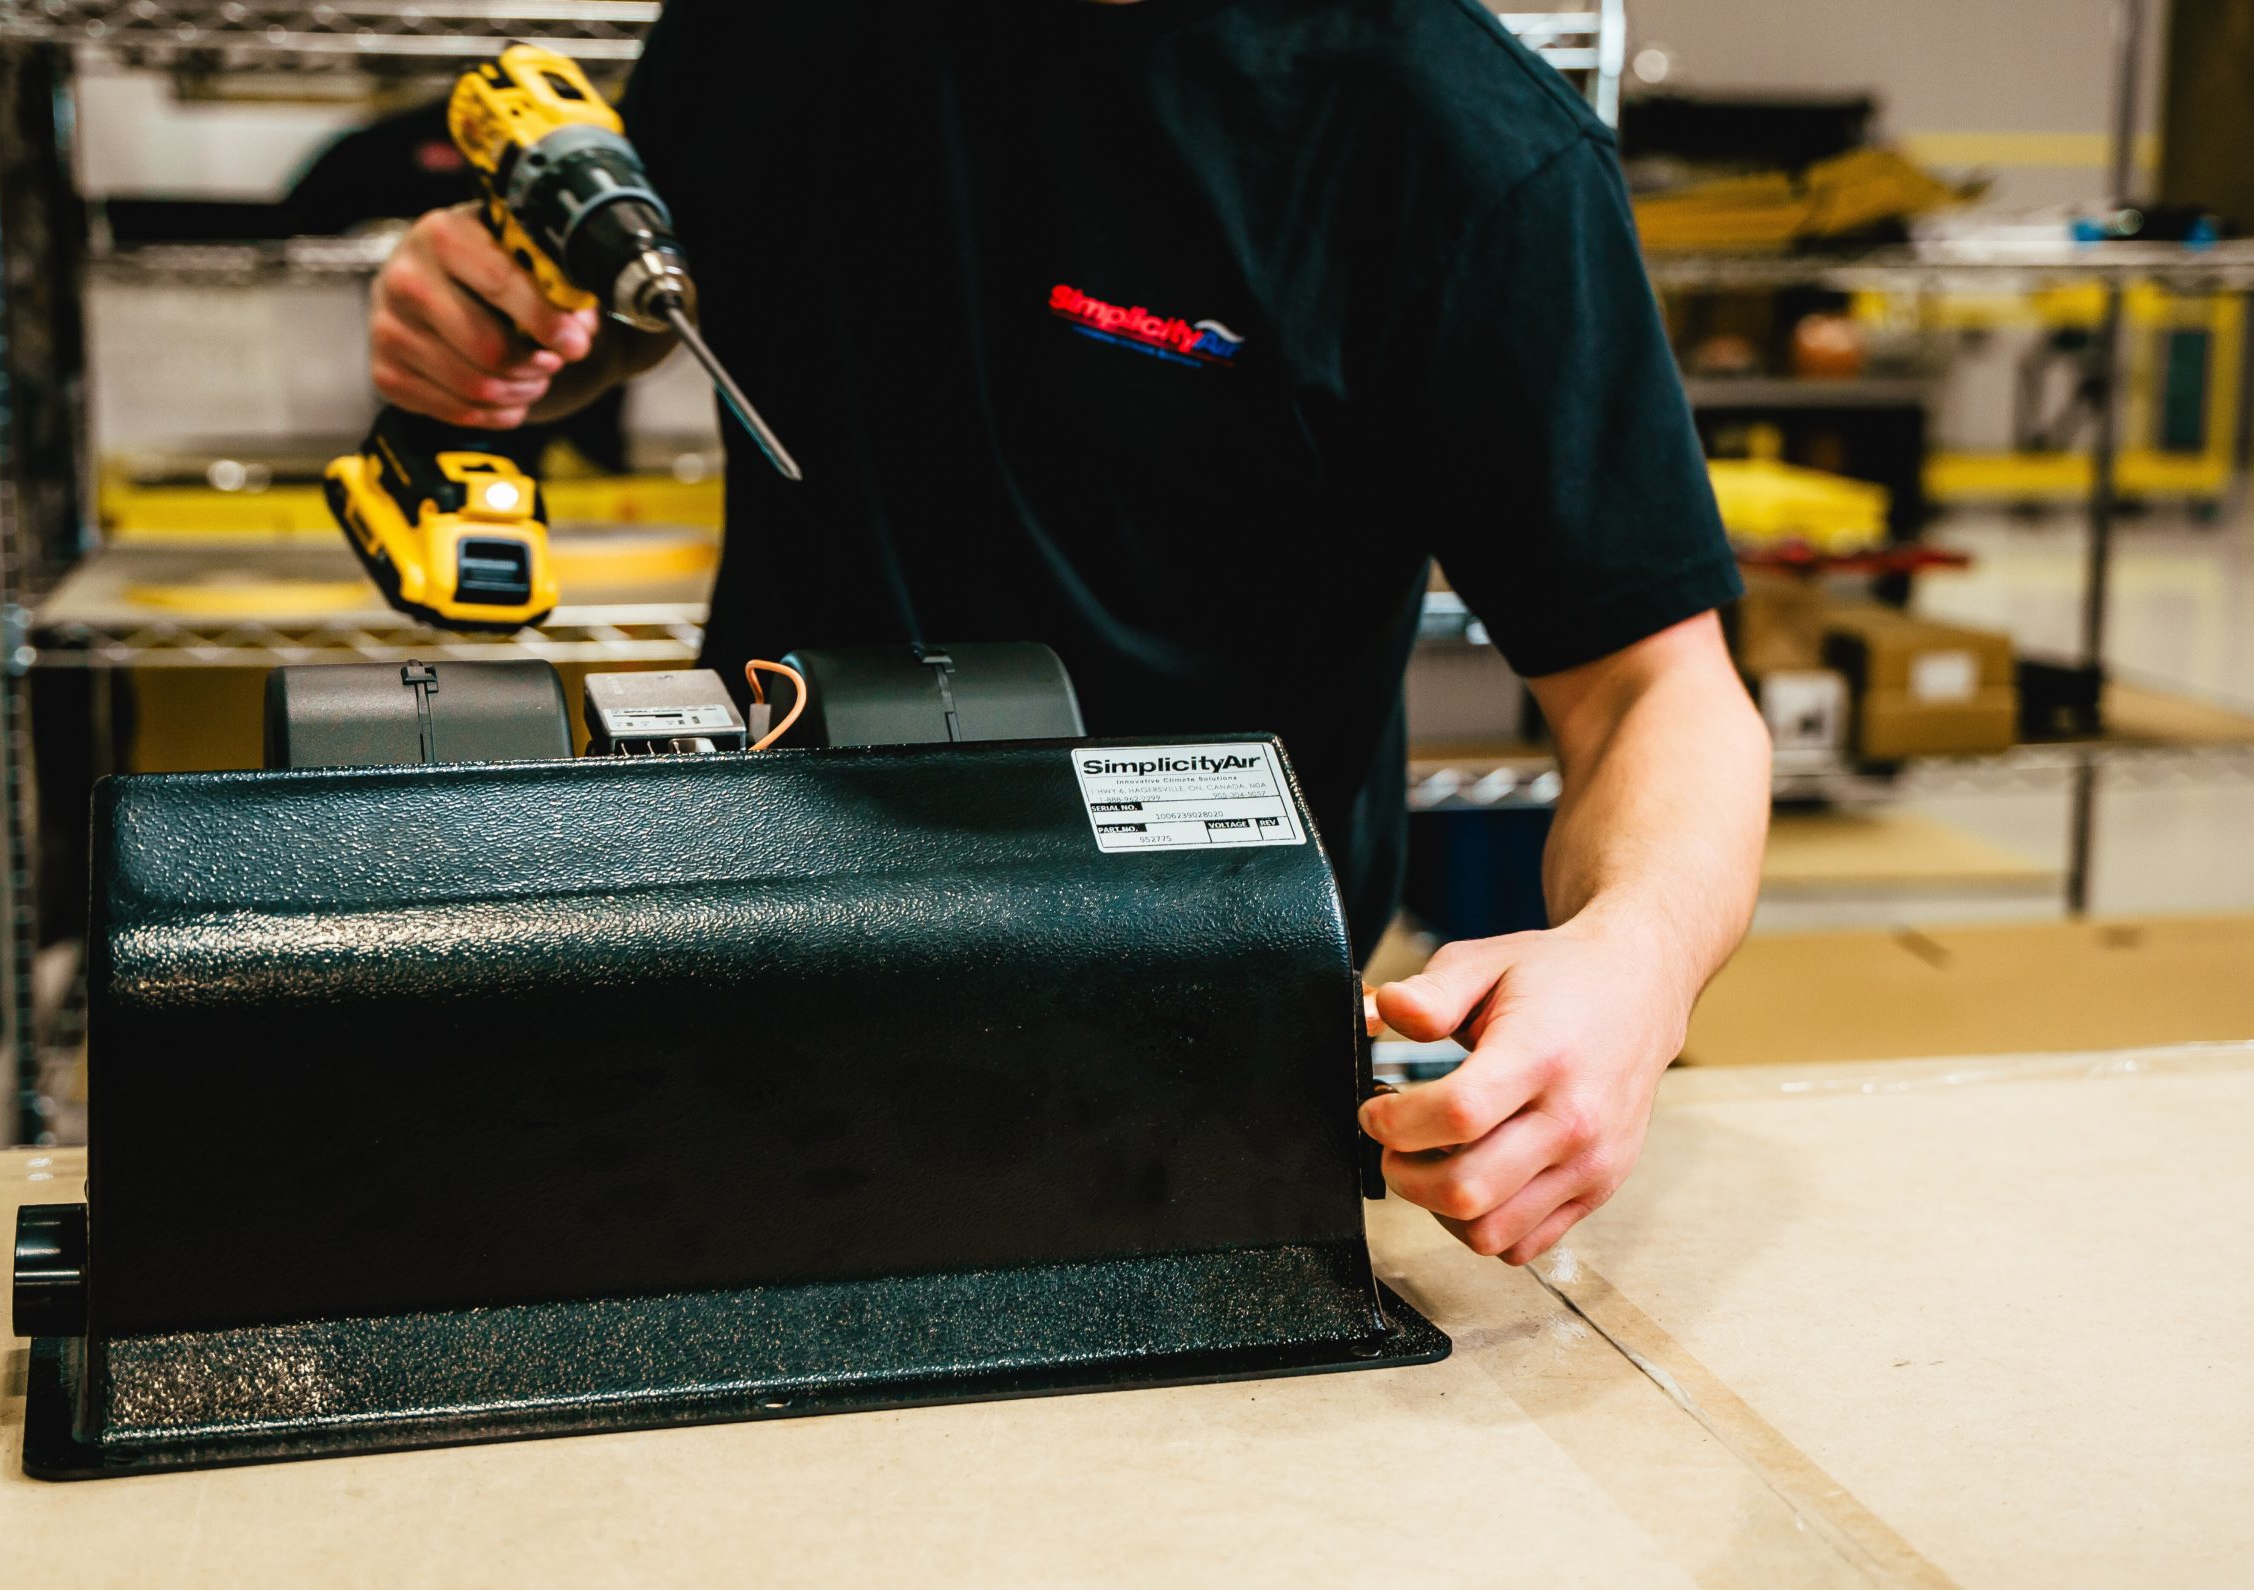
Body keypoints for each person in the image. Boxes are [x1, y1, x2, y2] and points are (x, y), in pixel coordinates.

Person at [362, 0, 1772, 1267]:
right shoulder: (764, 25)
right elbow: (637, 300)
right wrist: (510, 341)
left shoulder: (1449, 139)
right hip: (742, 967)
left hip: (1189, 1062)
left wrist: (1636, 961)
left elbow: (1656, 687)